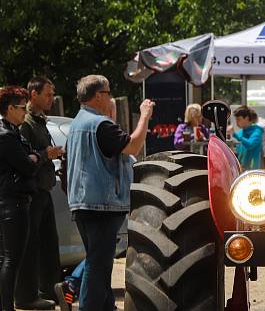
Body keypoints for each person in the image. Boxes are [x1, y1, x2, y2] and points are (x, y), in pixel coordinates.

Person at [66, 75, 154, 311]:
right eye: (107, 92)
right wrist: (144, 116)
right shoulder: (100, 124)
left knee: (100, 262)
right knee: (98, 263)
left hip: (82, 203)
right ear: (97, 95)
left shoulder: (76, 124)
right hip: (101, 205)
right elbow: (133, 146)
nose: (110, 96)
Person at [17, 77, 64, 310]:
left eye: (52, 93)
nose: (51, 98)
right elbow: (24, 159)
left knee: (49, 244)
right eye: (47, 94)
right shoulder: (25, 122)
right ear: (33, 95)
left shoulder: (39, 121)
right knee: (31, 245)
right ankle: (27, 296)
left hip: (44, 189)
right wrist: (47, 154)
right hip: (32, 191)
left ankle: (50, 290)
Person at [0, 86, 45, 311]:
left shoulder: (12, 130)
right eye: (20, 107)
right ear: (9, 108)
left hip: (13, 202)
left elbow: (28, 160)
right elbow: (28, 167)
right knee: (11, 259)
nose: (24, 112)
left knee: (8, 259)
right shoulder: (6, 135)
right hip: (12, 204)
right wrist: (37, 156)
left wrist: (33, 156)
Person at [232, 106, 263, 170]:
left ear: (247, 118)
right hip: (242, 170)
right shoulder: (241, 132)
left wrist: (234, 134)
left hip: (253, 171)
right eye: (236, 119)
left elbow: (250, 144)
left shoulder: (257, 131)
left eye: (238, 119)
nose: (236, 122)